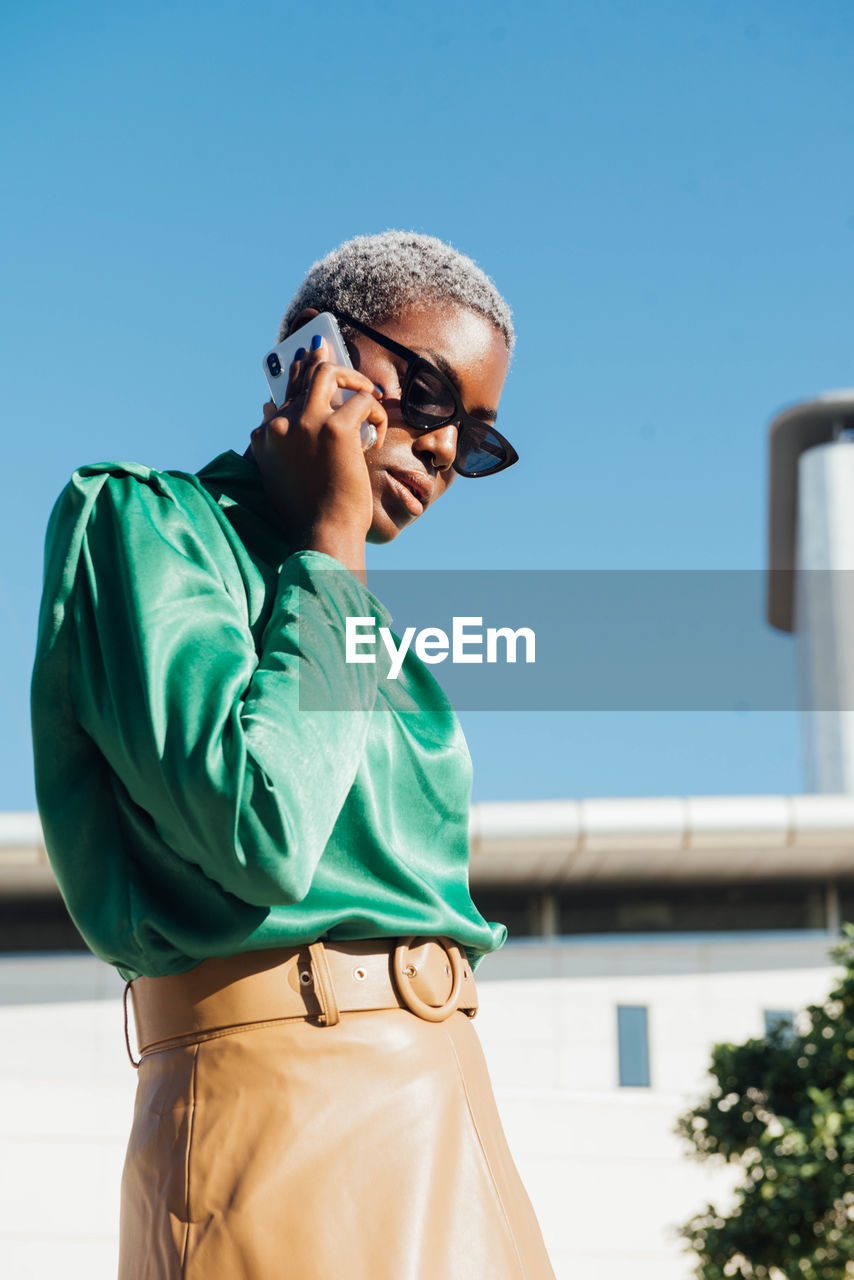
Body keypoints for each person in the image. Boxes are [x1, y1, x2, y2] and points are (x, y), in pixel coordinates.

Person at [30, 230, 556, 1279]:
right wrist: (331, 553)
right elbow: (258, 827)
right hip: (278, 1104)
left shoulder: (375, 643)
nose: (446, 447)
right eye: (424, 392)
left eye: (478, 438)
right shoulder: (144, 525)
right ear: (308, 352)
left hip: (453, 1105)